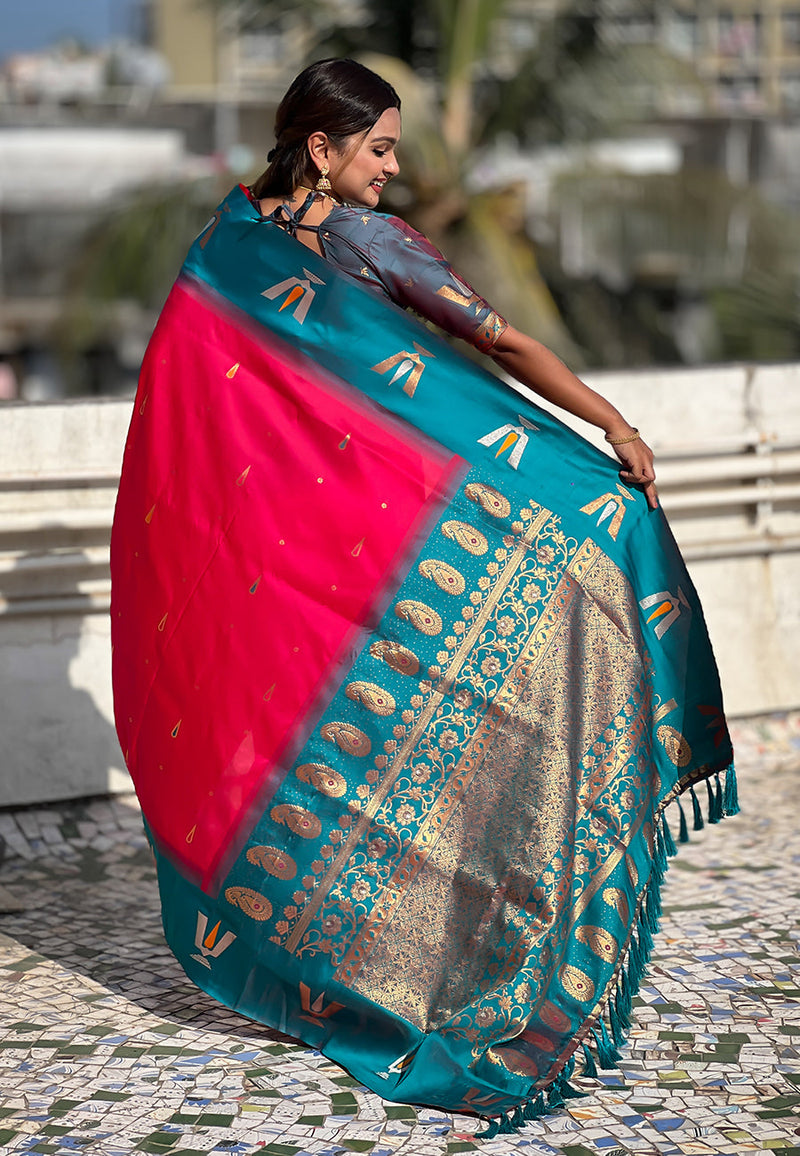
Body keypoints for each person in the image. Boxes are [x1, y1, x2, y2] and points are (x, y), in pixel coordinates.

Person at [110, 58, 736, 1134]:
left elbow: (488, 343)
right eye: (380, 149)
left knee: (479, 686)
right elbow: (197, 421)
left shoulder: (285, 246)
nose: (393, 171)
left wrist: (600, 428)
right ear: (322, 147)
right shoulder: (252, 256)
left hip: (371, 555)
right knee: (294, 772)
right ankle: (352, 965)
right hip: (293, 573)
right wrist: (615, 429)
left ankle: (461, 931)